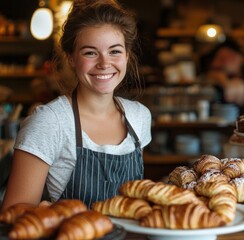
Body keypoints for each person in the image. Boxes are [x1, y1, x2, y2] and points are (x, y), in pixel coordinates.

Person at [1, 0, 151, 210]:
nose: (104, 63)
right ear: (71, 58)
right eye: (90, 52)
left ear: (127, 55)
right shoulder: (49, 122)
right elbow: (13, 212)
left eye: (115, 51)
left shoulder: (139, 117)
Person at [200, 38, 244, 107]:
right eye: (216, 58)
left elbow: (230, 97)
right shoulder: (213, 79)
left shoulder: (243, 83)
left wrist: (224, 81)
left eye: (222, 59)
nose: (216, 63)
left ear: (238, 59)